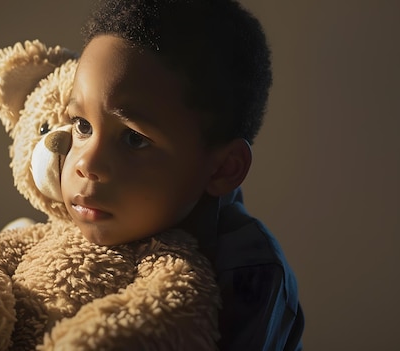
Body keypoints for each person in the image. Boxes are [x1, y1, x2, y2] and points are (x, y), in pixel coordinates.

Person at [62, 0, 304, 349]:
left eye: (134, 139)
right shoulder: (73, 222)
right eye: (82, 125)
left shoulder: (249, 277)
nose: (86, 164)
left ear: (223, 168)